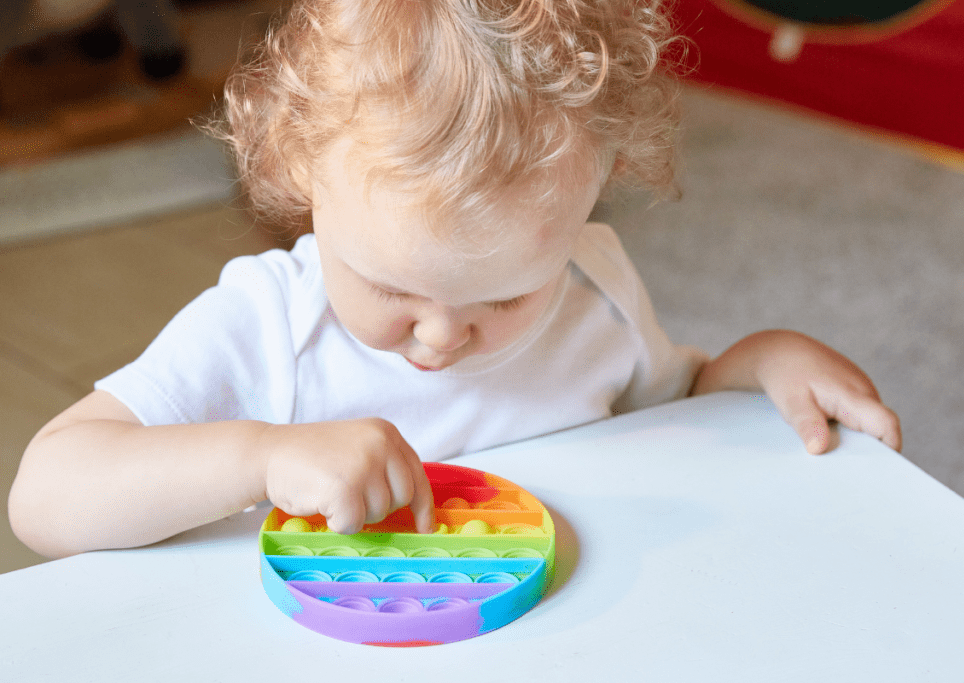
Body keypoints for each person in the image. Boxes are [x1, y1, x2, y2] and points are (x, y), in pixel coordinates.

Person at [8, 0, 900, 560]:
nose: (440, 336)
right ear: (298, 169)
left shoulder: (593, 290)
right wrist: (260, 456)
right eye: (389, 287)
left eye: (507, 297)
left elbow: (669, 408)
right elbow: (46, 495)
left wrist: (758, 363)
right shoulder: (271, 325)